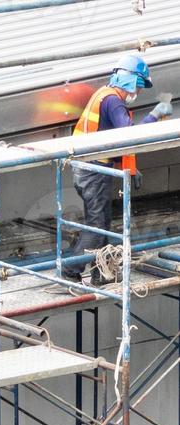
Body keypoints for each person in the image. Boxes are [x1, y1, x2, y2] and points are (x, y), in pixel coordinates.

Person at [71, 53, 172, 287]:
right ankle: (69, 269)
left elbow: (113, 142)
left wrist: (131, 168)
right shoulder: (113, 100)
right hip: (92, 170)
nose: (136, 92)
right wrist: (154, 115)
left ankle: (101, 273)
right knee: (96, 225)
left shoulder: (105, 95)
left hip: (93, 168)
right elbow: (129, 135)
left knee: (101, 222)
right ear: (126, 78)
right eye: (137, 85)